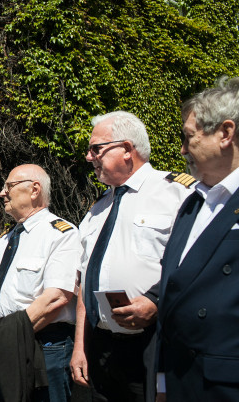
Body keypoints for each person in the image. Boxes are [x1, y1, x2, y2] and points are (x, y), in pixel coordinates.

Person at [69, 111, 192, 402]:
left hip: (153, 344)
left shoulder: (177, 194)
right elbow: (86, 280)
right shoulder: (97, 208)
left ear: (126, 149)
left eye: (96, 148)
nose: (89, 157)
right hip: (101, 348)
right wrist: (80, 346)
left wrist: (156, 303)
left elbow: (194, 267)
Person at [157, 77, 239, 401]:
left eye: (188, 137)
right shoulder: (192, 203)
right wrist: (162, 381)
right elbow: (172, 289)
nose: (181, 149)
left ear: (225, 133)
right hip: (181, 382)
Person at [0, 164, 82, 402]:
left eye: (9, 186)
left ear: (35, 190)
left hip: (45, 347)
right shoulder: (6, 239)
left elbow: (57, 296)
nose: (2, 193)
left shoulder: (60, 234)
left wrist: (8, 336)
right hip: (2, 346)